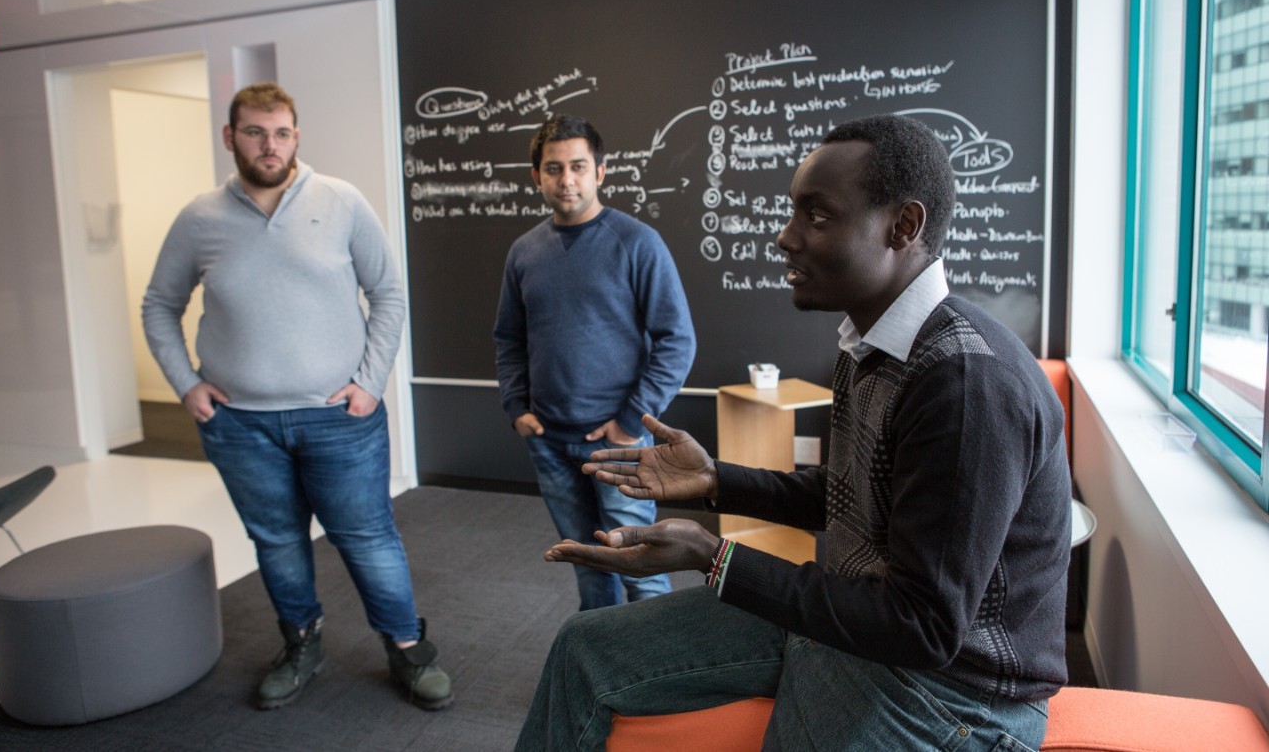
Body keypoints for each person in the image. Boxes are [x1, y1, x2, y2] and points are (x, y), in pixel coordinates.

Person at [516, 114, 1071, 750]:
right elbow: (849, 495)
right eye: (793, 213)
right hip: (857, 619)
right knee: (583, 647)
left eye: (817, 216)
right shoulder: (871, 341)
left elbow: (922, 628)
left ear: (904, 226)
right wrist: (717, 481)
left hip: (949, 694)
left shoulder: (966, 385)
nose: (785, 237)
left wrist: (714, 556)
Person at [142, 82, 452, 712]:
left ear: (296, 136)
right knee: (277, 543)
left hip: (339, 418)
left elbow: (389, 293)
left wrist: (369, 383)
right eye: (255, 131)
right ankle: (301, 642)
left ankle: (406, 648)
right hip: (239, 425)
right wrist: (186, 383)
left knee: (366, 538)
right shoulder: (199, 219)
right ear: (230, 137)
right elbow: (159, 306)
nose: (270, 144)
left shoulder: (340, 201)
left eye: (282, 132)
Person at [493, 113, 697, 610]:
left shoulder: (637, 243)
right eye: (554, 168)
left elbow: (678, 340)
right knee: (586, 563)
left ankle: (660, 680)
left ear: (600, 172)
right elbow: (509, 338)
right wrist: (516, 405)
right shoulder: (524, 252)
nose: (567, 180)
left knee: (641, 567)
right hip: (549, 440)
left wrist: (629, 423)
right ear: (536, 176)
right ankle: (601, 668)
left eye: (579, 167)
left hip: (619, 446)